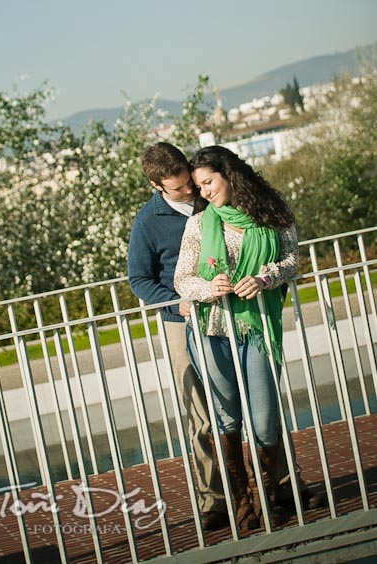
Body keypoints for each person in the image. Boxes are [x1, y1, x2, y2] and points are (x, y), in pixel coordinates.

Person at [174, 145, 309, 533]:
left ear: (230, 175)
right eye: (198, 186)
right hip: (212, 331)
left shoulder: (273, 214)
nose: (204, 192)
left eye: (208, 182)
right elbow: (182, 278)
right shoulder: (200, 224)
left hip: (259, 329)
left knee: (265, 421)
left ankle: (270, 496)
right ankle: (243, 502)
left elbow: (291, 260)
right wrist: (206, 286)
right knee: (226, 418)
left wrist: (265, 278)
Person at [128, 142, 228, 531]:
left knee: (253, 402)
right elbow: (139, 279)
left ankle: (282, 484)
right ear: (157, 185)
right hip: (181, 320)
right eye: (180, 188)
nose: (191, 191)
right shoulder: (147, 222)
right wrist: (177, 301)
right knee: (199, 414)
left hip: (228, 312)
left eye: (190, 181)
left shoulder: (210, 197)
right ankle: (213, 501)